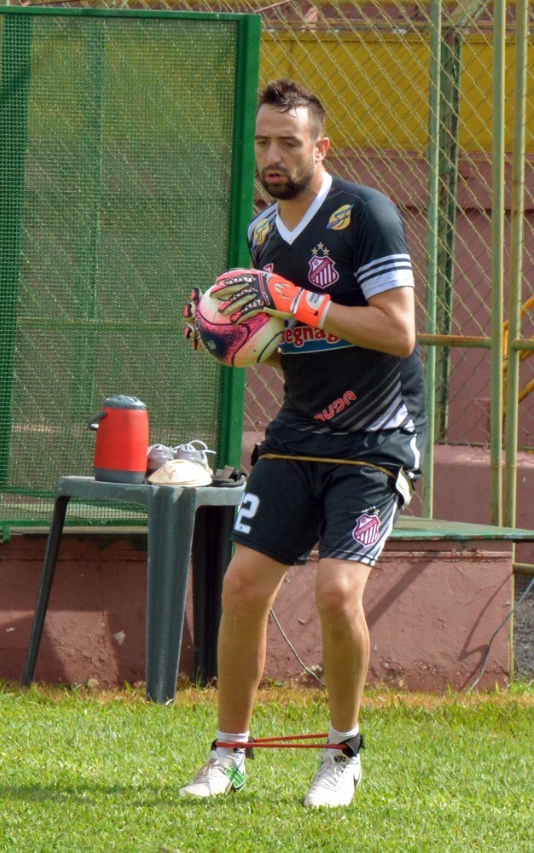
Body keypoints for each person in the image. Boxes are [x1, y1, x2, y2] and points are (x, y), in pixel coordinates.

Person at [179, 78, 426, 808]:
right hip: (298, 431)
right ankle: (228, 753)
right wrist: (225, 338)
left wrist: (297, 301)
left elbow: (398, 330)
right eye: (263, 141)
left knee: (336, 588)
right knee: (242, 585)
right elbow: (290, 345)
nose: (273, 154)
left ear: (321, 146)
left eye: (289, 141)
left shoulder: (367, 215)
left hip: (377, 432)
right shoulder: (262, 236)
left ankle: (342, 752)